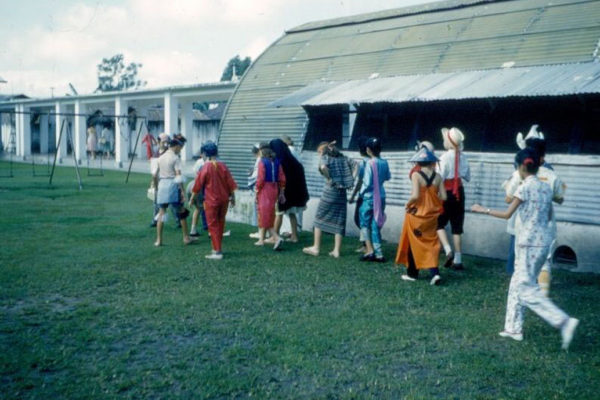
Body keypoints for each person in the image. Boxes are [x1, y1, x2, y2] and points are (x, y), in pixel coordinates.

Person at [471, 148, 578, 350]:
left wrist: (481, 209)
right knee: (517, 282)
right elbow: (547, 217)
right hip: (543, 242)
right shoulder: (546, 188)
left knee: (525, 288)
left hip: (528, 242)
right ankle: (513, 328)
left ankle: (563, 321)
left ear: (521, 167)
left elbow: (506, 214)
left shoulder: (523, 187)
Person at [395, 146, 447, 285]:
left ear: (418, 163)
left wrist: (408, 204)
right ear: (432, 162)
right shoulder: (438, 177)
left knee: (413, 242)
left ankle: (412, 274)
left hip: (417, 215)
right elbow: (444, 196)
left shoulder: (416, 175)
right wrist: (432, 200)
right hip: (432, 216)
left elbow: (415, 196)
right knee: (431, 243)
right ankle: (435, 273)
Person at [303, 141, 355, 258]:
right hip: (342, 192)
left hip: (330, 191)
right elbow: (356, 165)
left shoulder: (325, 158)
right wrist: (351, 179)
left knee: (319, 217)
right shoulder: (343, 158)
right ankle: (336, 251)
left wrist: (329, 177)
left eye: (319, 152)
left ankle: (316, 247)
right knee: (339, 219)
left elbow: (322, 167)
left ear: (322, 151)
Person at [189, 141, 237, 260]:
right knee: (220, 223)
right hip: (224, 199)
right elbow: (230, 183)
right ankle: (217, 248)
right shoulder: (223, 165)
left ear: (205, 154)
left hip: (211, 200)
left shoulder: (206, 166)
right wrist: (233, 198)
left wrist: (191, 198)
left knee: (213, 225)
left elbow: (198, 184)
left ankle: (217, 251)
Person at [436, 127, 470, 270]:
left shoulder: (444, 157)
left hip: (446, 193)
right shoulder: (463, 157)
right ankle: (458, 259)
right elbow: (468, 177)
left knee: (438, 223)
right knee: (457, 227)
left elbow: (440, 176)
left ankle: (447, 249)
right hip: (459, 193)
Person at [153, 134, 193, 247]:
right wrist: (183, 192)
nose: (181, 150)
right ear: (176, 146)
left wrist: (156, 188)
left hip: (162, 186)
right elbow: (178, 176)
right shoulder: (175, 158)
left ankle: (159, 240)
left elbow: (154, 175)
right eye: (181, 147)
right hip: (172, 186)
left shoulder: (160, 158)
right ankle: (186, 237)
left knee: (161, 214)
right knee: (181, 212)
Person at [358, 137, 391, 262]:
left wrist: (360, 194)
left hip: (369, 197)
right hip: (381, 196)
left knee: (365, 224)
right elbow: (388, 176)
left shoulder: (370, 163)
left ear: (368, 150)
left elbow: (366, 183)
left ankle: (369, 250)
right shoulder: (384, 162)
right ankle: (379, 253)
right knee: (376, 223)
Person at [270, 138, 309, 243]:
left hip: (283, 192)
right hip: (295, 193)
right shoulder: (294, 161)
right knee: (292, 214)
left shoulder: (279, 161)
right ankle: (294, 237)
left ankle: (275, 237)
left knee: (279, 213)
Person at [255, 143, 285, 250]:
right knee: (269, 213)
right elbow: (281, 178)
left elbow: (260, 178)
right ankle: (261, 240)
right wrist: (281, 192)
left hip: (265, 189)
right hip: (274, 188)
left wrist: (257, 189)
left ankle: (276, 237)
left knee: (264, 213)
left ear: (262, 150)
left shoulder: (262, 162)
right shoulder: (277, 161)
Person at [348, 136, 370, 254]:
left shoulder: (363, 165)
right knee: (367, 221)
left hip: (364, 195)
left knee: (360, 220)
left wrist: (353, 196)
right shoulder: (377, 162)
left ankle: (367, 245)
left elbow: (360, 182)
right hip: (376, 195)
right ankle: (366, 243)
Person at [187, 146, 209, 237]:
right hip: (203, 188)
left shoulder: (199, 162)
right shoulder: (210, 163)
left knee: (198, 208)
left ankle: (193, 229)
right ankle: (211, 231)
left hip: (193, 185)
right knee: (208, 209)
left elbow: (196, 174)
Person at [248, 143, 262, 239]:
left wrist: (250, 177)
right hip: (264, 188)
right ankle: (262, 231)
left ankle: (261, 232)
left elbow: (257, 176)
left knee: (259, 210)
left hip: (259, 188)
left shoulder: (260, 160)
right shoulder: (265, 159)